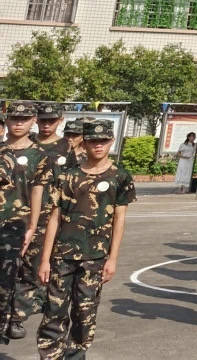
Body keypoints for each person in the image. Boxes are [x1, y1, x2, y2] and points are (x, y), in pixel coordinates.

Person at [35, 118, 135, 359]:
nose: (98, 145)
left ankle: (77, 354)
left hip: (95, 257)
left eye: (103, 141)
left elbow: (119, 219)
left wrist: (113, 259)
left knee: (85, 312)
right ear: (84, 142)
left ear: (112, 141)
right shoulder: (67, 176)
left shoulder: (120, 176)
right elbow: (54, 218)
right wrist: (45, 260)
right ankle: (50, 355)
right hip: (62, 256)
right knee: (54, 311)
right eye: (92, 141)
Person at [15, 104, 77, 331]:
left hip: (49, 216)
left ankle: (18, 314)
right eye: (43, 120)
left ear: (60, 120)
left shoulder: (65, 148)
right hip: (20, 212)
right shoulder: (27, 143)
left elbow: (71, 183)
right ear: (36, 121)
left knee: (35, 265)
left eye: (51, 120)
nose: (46, 124)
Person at [0, 100, 44, 343]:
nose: (18, 123)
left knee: (14, 278)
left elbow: (38, 191)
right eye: (14, 118)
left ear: (33, 121)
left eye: (24, 119)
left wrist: (32, 226)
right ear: (6, 120)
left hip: (18, 225)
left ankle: (11, 320)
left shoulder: (39, 156)